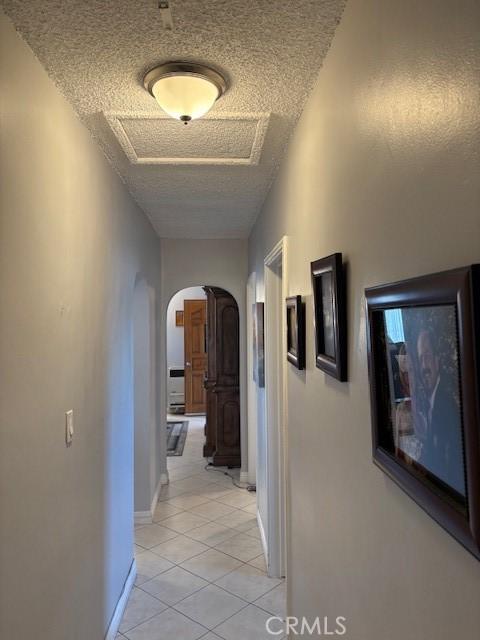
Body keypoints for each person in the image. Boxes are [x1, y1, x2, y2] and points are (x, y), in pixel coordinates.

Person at [416, 330, 465, 495]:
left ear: (438, 361)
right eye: (420, 358)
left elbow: (451, 470)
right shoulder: (431, 403)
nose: (424, 366)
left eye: (427, 356)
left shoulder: (446, 407)